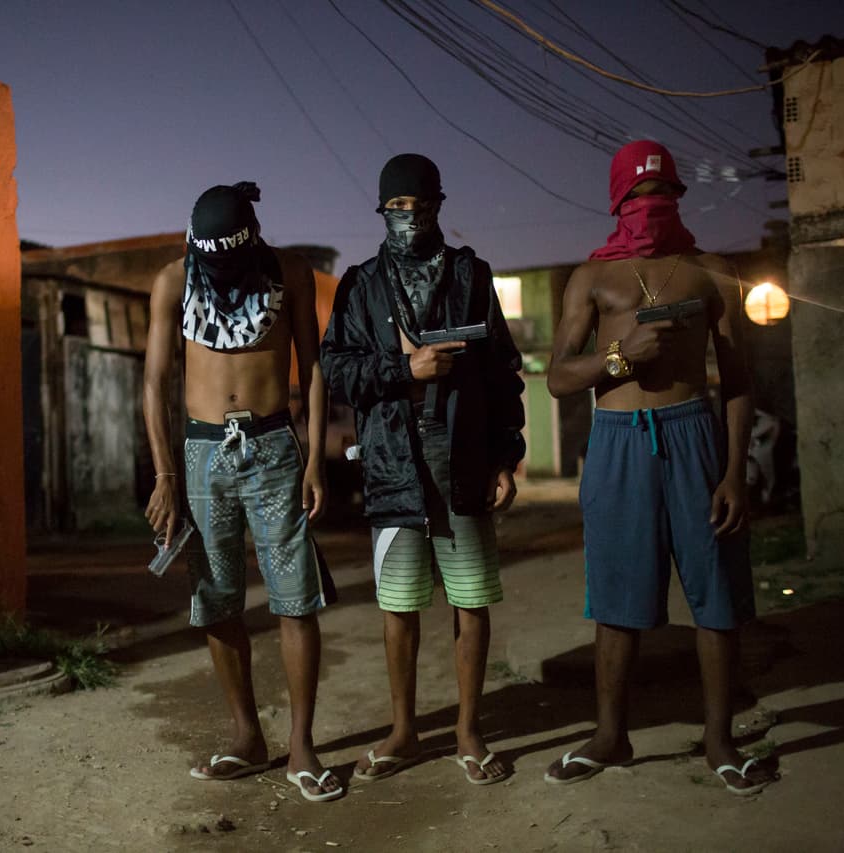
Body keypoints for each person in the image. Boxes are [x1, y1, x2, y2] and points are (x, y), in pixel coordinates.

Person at [544, 140, 777, 796]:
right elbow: (560, 376)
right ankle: (610, 735)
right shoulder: (592, 277)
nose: (652, 210)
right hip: (619, 440)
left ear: (678, 196)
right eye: (638, 199)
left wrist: (734, 471)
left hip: (694, 433)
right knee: (617, 594)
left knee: (715, 589)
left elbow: (736, 379)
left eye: (663, 196)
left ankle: (719, 738)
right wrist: (618, 358)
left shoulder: (710, 270)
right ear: (618, 204)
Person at [321, 154, 525, 786]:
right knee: (399, 604)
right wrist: (402, 371)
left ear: (440, 206)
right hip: (391, 466)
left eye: (421, 207)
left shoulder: (471, 273)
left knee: (470, 600)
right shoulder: (360, 284)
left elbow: (501, 376)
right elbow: (336, 368)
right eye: (398, 210)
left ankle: (468, 732)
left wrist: (506, 456)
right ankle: (405, 732)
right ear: (382, 213)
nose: (410, 219)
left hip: (461, 459)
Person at [142, 182, 342, 802]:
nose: (221, 269)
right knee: (217, 599)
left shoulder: (290, 272)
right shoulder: (174, 281)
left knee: (293, 598)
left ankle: (302, 748)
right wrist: (167, 475)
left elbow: (312, 366)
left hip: (275, 446)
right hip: (202, 456)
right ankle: (247, 738)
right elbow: (155, 384)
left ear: (253, 235)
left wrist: (313, 460)